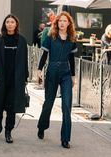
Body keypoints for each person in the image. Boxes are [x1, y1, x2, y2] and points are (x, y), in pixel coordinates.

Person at [36, 11, 77, 149]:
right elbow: (44, 55)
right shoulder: (50, 36)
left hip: (66, 73)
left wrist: (73, 76)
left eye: (65, 21)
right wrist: (39, 69)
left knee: (66, 106)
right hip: (52, 71)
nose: (62, 23)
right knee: (48, 103)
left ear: (69, 23)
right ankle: (42, 126)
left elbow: (71, 59)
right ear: (57, 23)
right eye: (60, 21)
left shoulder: (72, 38)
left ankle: (65, 138)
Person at [0, 14, 29, 143]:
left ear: (16, 24)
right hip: (0, 78)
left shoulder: (21, 40)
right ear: (4, 24)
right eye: (8, 22)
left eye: (12, 22)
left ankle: (8, 131)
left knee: (11, 107)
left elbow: (24, 60)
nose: (10, 24)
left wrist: (25, 77)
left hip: (15, 80)